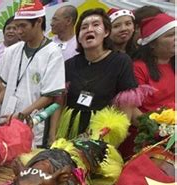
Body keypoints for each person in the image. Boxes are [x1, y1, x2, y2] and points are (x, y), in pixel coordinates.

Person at [0, 0, 65, 147]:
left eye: (23, 26)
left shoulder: (53, 53)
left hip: (32, 123)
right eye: (16, 26)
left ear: (38, 22)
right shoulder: (12, 50)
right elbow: (5, 86)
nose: (18, 31)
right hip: (6, 120)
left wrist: (22, 115)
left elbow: (50, 96)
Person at [64, 9, 141, 138]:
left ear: (106, 32)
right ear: (78, 37)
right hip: (69, 130)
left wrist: (110, 137)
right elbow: (61, 102)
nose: (89, 29)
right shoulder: (69, 64)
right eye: (84, 27)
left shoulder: (121, 61)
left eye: (96, 25)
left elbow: (125, 108)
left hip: (101, 135)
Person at [119, 13, 176, 159]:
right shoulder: (138, 68)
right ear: (152, 43)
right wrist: (159, 130)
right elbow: (132, 108)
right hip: (146, 141)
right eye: (170, 35)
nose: (175, 39)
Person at [0, 16, 21, 124]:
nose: (11, 31)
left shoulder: (21, 51)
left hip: (9, 100)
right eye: (8, 28)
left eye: (15, 28)